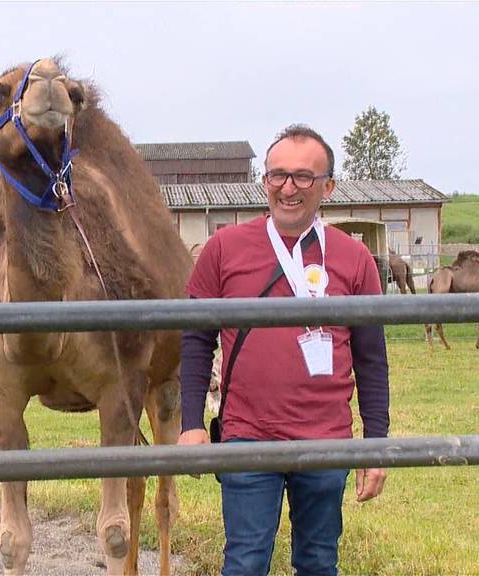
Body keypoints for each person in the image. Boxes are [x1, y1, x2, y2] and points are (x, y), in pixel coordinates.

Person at [178, 124, 389, 576]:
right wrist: (191, 423)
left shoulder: (354, 258)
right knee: (245, 562)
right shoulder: (223, 249)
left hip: (326, 440)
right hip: (246, 436)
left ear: (327, 186)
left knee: (317, 562)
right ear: (264, 181)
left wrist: (376, 443)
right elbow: (195, 337)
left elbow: (372, 358)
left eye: (302, 177)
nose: (288, 188)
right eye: (277, 175)